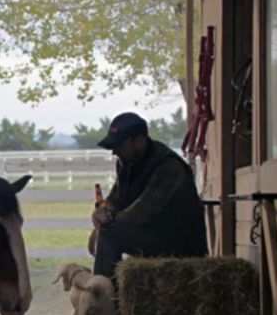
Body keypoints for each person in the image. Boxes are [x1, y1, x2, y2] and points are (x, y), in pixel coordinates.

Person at [89, 112, 208, 280]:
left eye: (119, 145)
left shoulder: (169, 167)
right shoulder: (127, 163)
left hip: (180, 243)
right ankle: (107, 290)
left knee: (110, 235)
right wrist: (103, 212)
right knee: (109, 232)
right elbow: (116, 199)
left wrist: (104, 228)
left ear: (139, 141)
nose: (114, 152)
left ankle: (103, 293)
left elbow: (140, 213)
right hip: (154, 233)